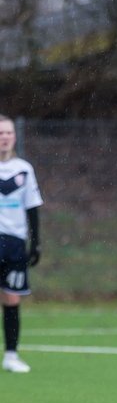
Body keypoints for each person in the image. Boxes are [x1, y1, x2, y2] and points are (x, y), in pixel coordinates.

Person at [0, 114, 44, 374]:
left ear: (14, 137)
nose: (4, 138)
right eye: (0, 134)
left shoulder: (24, 169)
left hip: (15, 242)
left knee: (12, 298)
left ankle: (11, 355)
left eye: (7, 133)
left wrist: (35, 243)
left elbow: (32, 207)